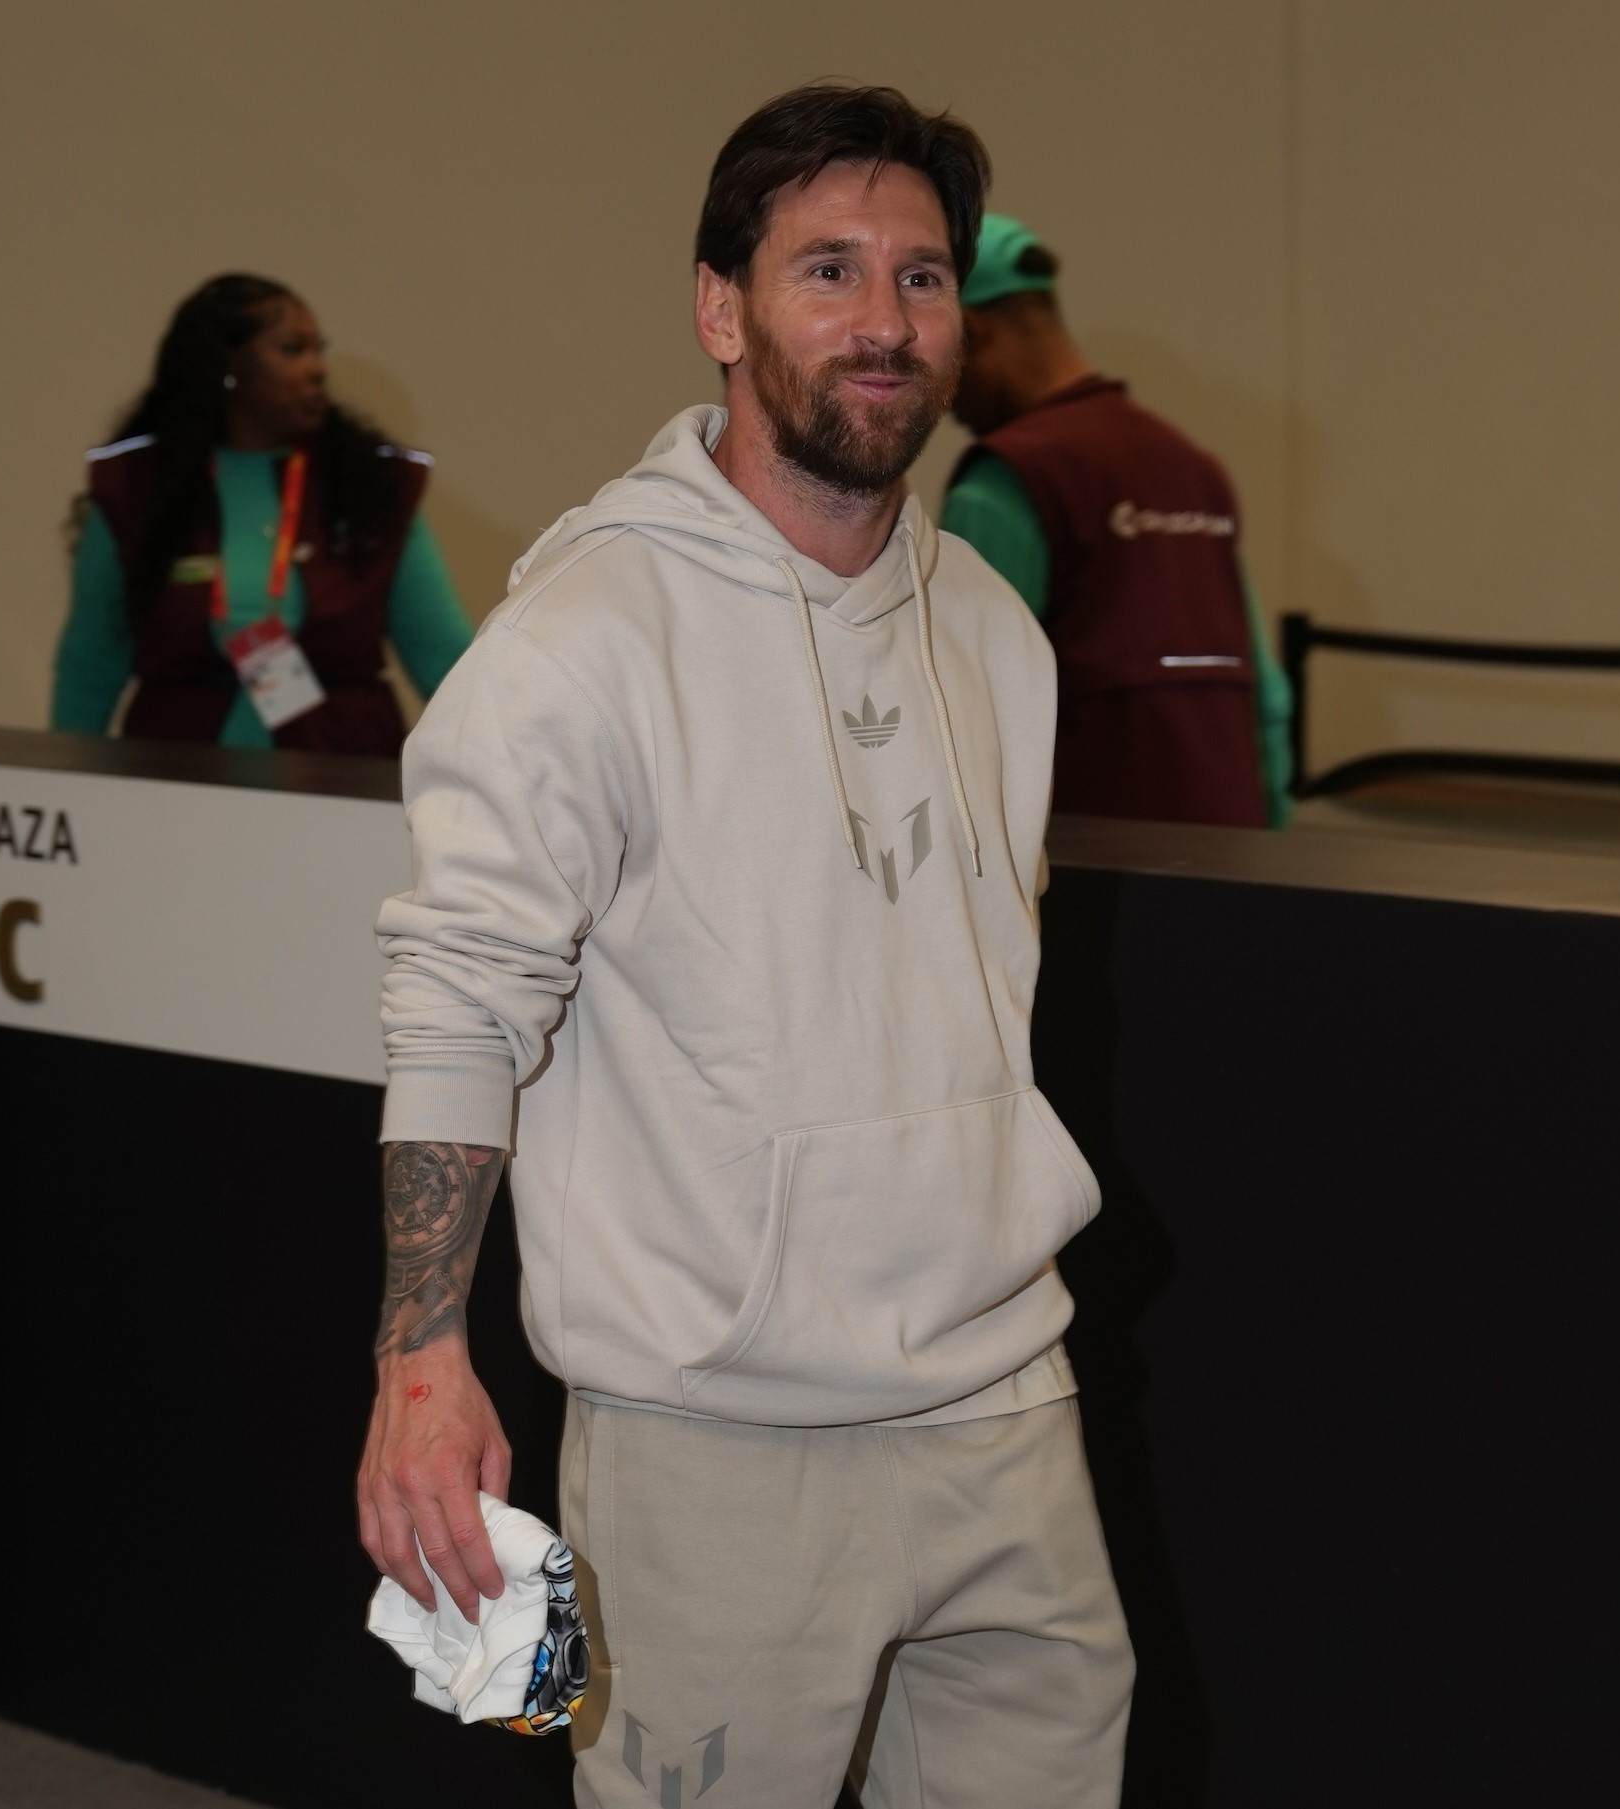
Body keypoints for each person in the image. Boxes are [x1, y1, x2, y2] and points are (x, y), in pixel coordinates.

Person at [357, 85, 1133, 1808]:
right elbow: (459, 1005)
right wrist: (421, 1361)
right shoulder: (581, 637)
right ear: (721, 309)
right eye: (826, 271)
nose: (884, 322)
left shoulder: (991, 628)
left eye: (920, 277)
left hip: (1004, 1399)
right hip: (712, 1438)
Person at [943, 214, 1290, 828]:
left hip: (1086, 869)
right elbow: (1266, 699)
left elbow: (960, 709)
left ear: (973, 329)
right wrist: (1273, 845)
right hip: (1235, 860)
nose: (940, 394)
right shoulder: (1193, 468)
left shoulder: (1009, 479)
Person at [50, 275, 470, 756]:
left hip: (339, 768)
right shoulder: (136, 487)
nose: (318, 370)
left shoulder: (373, 485)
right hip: (172, 773)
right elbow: (92, 660)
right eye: (293, 350)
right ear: (228, 365)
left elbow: (441, 654)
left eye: (318, 350)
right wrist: (66, 777)